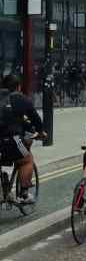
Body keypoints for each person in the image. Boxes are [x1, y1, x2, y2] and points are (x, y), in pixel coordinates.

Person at [0, 73, 45, 203]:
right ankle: (23, 194)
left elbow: (22, 122)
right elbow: (36, 120)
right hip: (14, 139)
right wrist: (40, 133)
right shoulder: (21, 99)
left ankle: (5, 188)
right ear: (18, 87)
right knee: (27, 159)